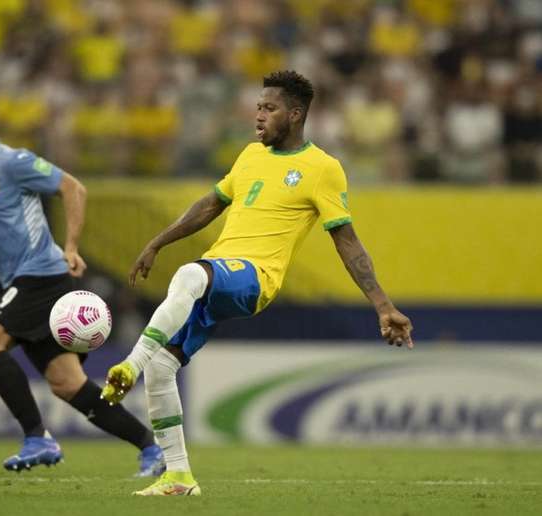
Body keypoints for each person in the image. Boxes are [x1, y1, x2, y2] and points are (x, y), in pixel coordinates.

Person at [100, 71, 414, 496]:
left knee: (190, 275)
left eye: (269, 108)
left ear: (296, 114)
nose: (259, 115)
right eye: (258, 107)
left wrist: (382, 305)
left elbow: (347, 241)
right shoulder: (249, 155)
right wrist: (157, 241)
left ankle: (128, 366)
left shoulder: (322, 168)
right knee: (164, 366)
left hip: (256, 280)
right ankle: (178, 476)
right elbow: (211, 204)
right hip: (219, 275)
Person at [0, 90, 164, 476]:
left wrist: (71, 246)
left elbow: (73, 188)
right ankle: (150, 448)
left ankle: (37, 438)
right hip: (19, 280)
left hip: (42, 272)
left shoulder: (12, 162)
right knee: (67, 383)